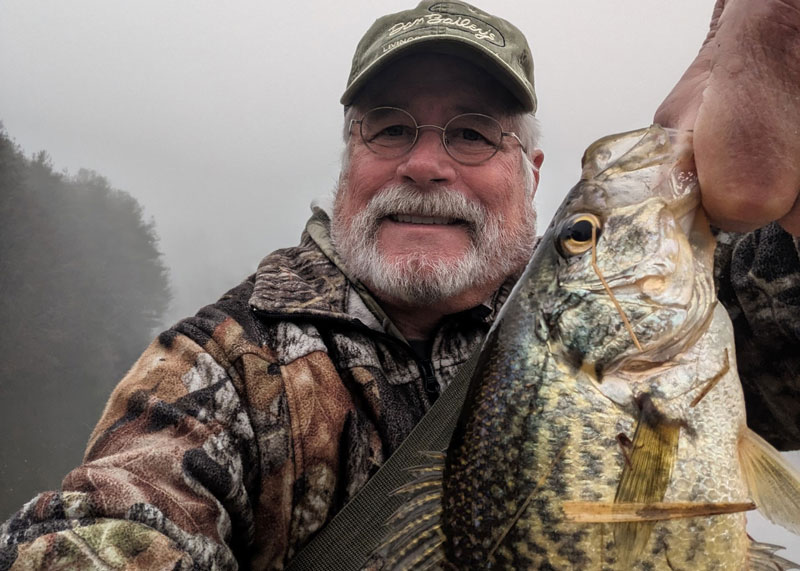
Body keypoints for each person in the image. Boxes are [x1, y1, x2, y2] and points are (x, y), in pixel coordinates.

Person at [1, 1, 798, 569]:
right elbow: (114, 520)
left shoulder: (675, 312)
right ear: (349, 162)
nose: (423, 164)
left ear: (531, 175)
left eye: (472, 133)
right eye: (388, 129)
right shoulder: (221, 366)